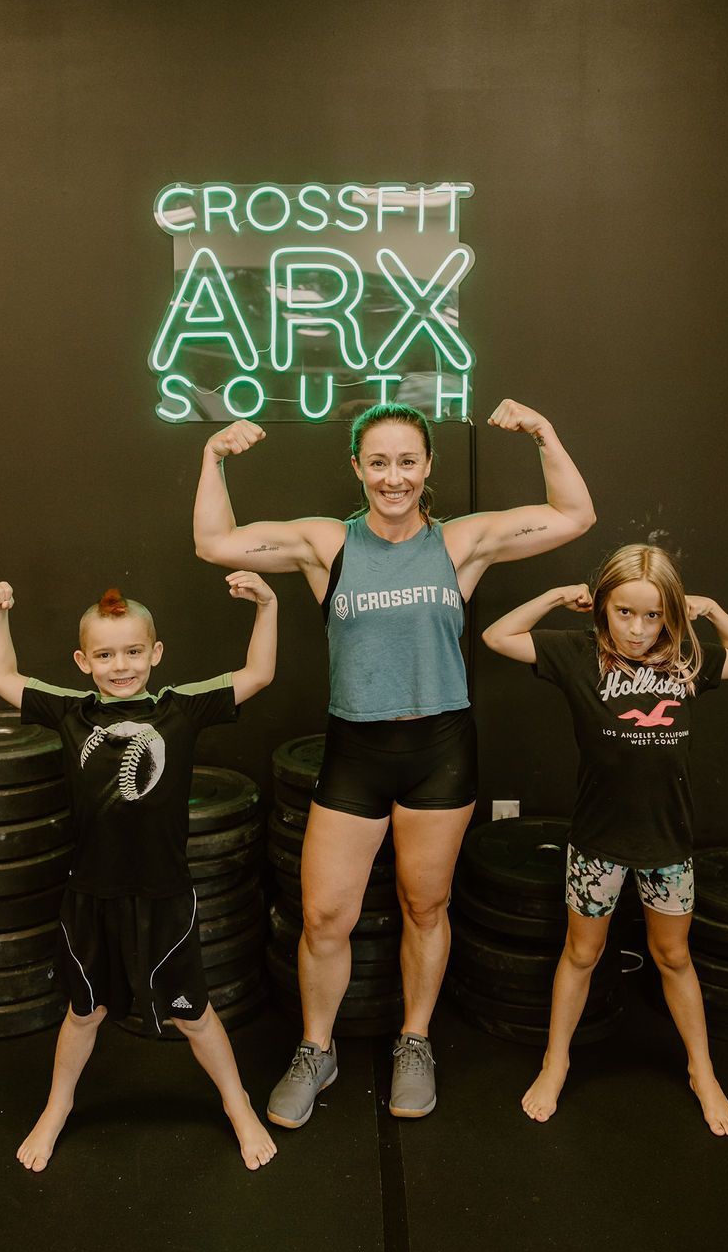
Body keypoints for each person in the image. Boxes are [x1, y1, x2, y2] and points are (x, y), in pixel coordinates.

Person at [194, 399, 595, 1126]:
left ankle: (415, 1040)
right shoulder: (326, 544)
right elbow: (214, 542)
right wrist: (212, 458)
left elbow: (574, 516)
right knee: (322, 916)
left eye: (407, 461)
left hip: (440, 750)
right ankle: (317, 1049)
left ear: (427, 466)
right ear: (357, 467)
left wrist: (544, 431)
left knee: (425, 906)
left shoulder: (460, 544)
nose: (394, 476)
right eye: (378, 462)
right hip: (356, 750)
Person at [0, 574, 279, 1172]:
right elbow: (0, 677)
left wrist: (268, 605)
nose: (122, 666)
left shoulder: (182, 709)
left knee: (193, 1014)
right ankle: (57, 1106)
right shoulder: (71, 713)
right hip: (91, 895)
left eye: (134, 651)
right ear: (83, 661)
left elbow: (259, 674)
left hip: (165, 894)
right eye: (107, 655)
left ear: (156, 653)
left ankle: (238, 1104)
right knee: (84, 1011)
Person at [481, 543, 728, 1137]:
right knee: (581, 954)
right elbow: (497, 636)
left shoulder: (686, 661)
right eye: (624, 613)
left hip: (668, 843)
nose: (638, 630)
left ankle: (702, 1069)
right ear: (602, 609)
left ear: (671, 616)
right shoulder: (577, 654)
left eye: (653, 615)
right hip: (597, 842)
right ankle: (555, 1062)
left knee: (674, 957)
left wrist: (709, 610)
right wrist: (558, 597)